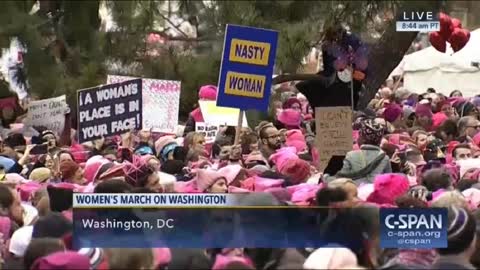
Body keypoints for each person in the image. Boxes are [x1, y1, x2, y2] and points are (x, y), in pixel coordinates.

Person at [336, 119, 391, 184]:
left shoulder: (350, 155)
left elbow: (341, 179)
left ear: (363, 138)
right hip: (375, 192)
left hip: (355, 192)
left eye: (359, 135)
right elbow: (388, 182)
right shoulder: (384, 158)